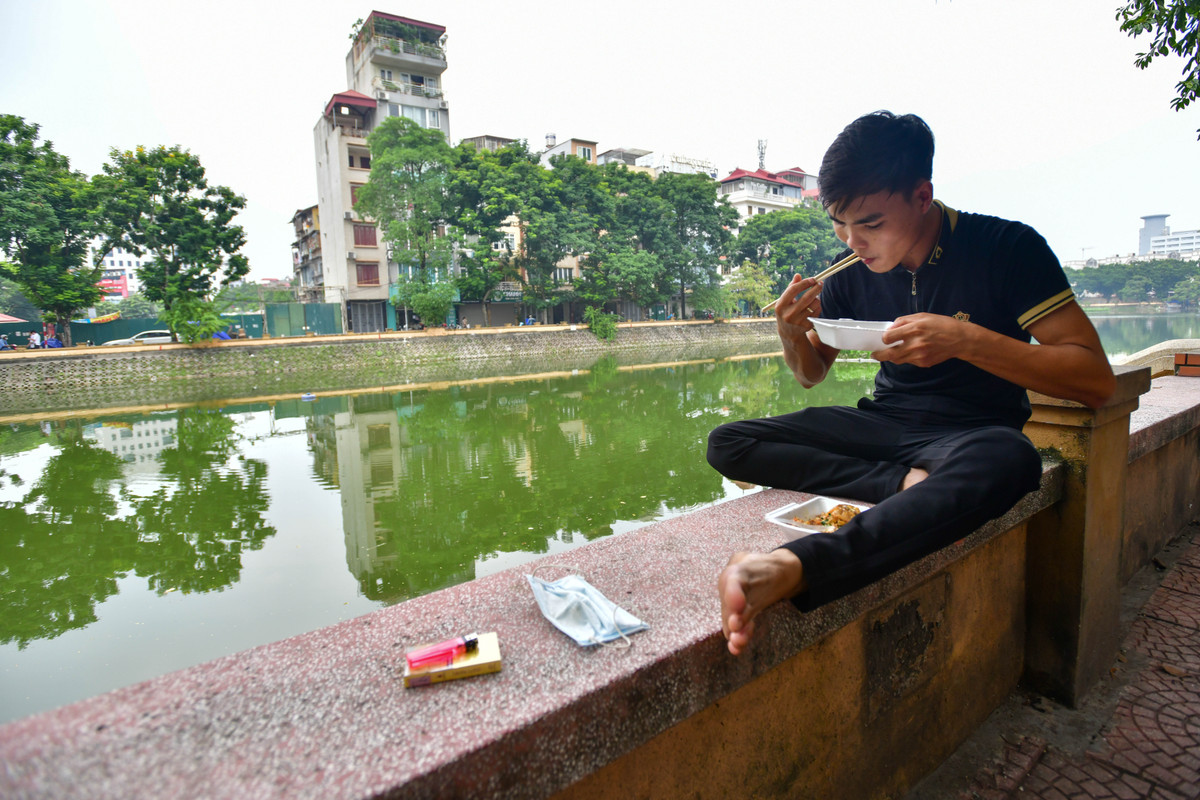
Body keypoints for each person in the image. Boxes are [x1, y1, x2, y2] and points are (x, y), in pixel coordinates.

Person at [708, 111, 1115, 656]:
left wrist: (965, 340)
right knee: (729, 442)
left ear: (922, 196)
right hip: (882, 424)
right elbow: (811, 375)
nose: (853, 242)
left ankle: (794, 566)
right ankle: (899, 483)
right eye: (839, 222)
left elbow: (1095, 380)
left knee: (1013, 461)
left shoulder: (1006, 248)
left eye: (870, 223)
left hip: (971, 433)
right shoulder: (848, 269)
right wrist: (789, 334)